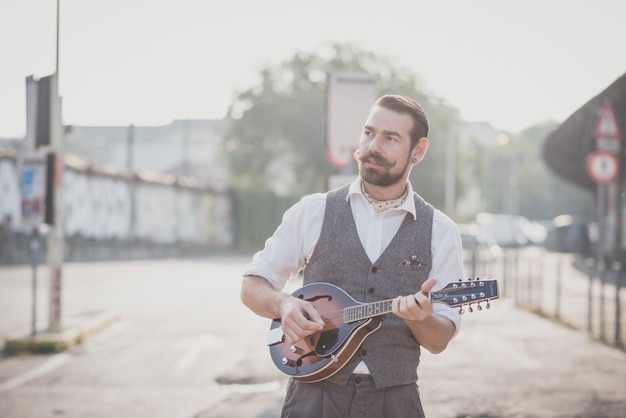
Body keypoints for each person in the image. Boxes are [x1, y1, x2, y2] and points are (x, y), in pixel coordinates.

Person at [241, 94, 464, 418]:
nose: (373, 146)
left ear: (418, 150)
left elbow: (438, 340)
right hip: (312, 398)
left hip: (394, 401)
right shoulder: (313, 211)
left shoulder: (440, 231)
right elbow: (252, 286)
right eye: (369, 133)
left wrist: (422, 319)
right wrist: (284, 303)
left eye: (390, 138)